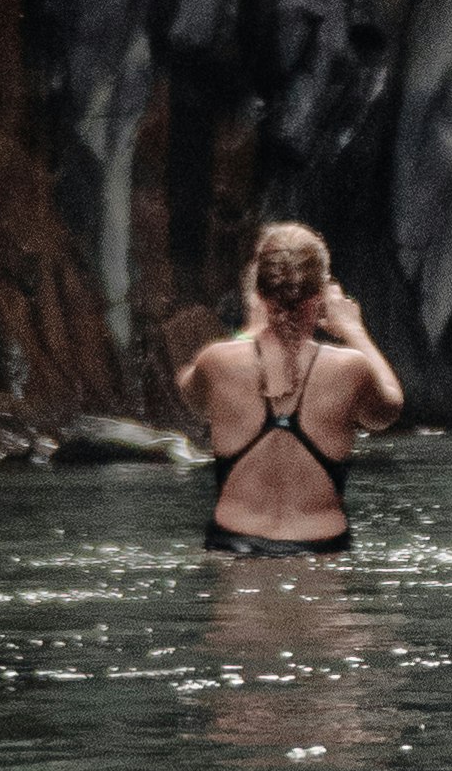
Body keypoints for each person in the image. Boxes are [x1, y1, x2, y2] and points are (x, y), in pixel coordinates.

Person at [172, 222, 402, 555]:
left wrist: (254, 328)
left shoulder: (217, 362)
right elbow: (389, 409)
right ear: (321, 296)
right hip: (322, 548)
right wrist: (354, 329)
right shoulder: (350, 368)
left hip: (234, 544)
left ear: (260, 293)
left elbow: (193, 396)